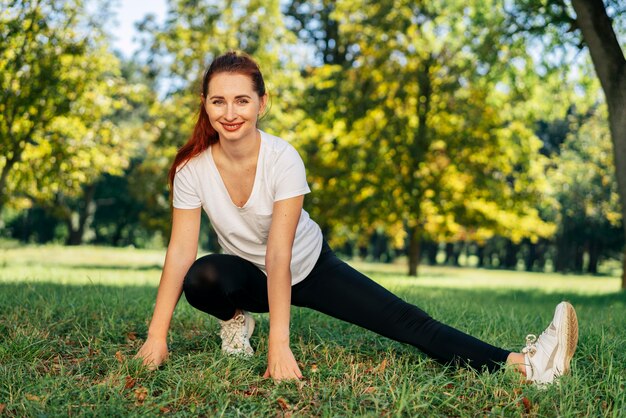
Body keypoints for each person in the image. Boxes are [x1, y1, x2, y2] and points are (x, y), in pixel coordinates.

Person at [136, 51, 578, 384]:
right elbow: (179, 251)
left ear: (262, 103)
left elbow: (280, 251)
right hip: (249, 278)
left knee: (409, 323)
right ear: (205, 104)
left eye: (241, 100)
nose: (230, 113)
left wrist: (280, 345)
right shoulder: (192, 169)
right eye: (219, 101)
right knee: (202, 276)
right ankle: (235, 321)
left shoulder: (283, 159)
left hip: (307, 267)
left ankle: (526, 365)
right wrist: (157, 337)